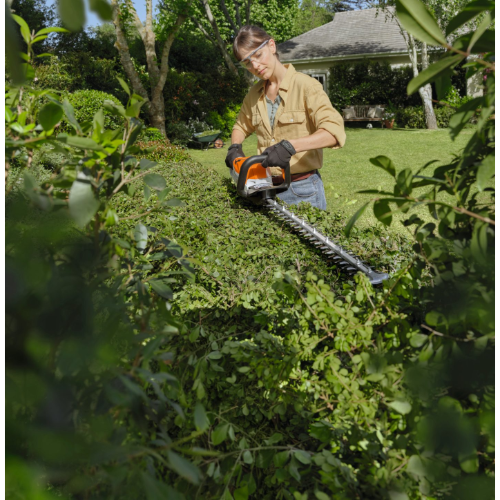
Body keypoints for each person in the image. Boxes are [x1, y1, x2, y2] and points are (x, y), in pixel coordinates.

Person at [225, 25, 346, 210]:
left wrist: (290, 146)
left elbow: (334, 132)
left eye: (257, 55)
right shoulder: (254, 93)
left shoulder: (306, 86)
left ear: (272, 46)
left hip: (302, 190)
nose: (255, 66)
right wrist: (235, 147)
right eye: (247, 62)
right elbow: (241, 126)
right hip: (265, 189)